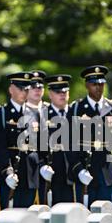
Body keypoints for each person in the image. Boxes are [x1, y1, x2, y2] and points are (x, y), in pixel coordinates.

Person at [68, 65, 112, 207]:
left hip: (106, 170)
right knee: (82, 217)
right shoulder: (76, 108)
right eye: (94, 84)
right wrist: (78, 169)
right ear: (87, 85)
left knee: (106, 214)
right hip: (84, 169)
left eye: (101, 83)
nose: (98, 87)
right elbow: (69, 142)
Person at [0, 72, 41, 210]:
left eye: (26, 89)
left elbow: (41, 145)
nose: (24, 92)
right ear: (11, 89)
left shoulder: (35, 113)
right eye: (20, 88)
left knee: (29, 220)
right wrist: (7, 171)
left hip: (30, 173)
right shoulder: (1, 113)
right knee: (6, 220)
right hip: (9, 173)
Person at [38, 74, 74, 205]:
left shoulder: (76, 113)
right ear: (50, 94)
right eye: (58, 91)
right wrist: (42, 165)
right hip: (51, 172)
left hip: (73, 171)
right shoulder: (41, 115)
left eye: (65, 91)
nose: (62, 94)